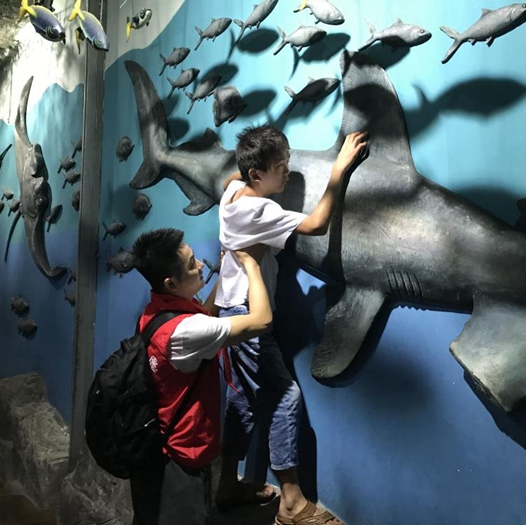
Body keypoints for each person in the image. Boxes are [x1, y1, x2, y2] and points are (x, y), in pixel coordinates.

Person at [215, 125, 368, 525]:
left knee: (241, 401)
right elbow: (316, 224)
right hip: (248, 314)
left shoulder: (234, 194)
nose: (287, 173)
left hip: (229, 309)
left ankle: (227, 484)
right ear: (256, 174)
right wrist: (339, 169)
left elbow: (229, 180)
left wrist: (248, 176)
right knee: (286, 398)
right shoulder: (260, 211)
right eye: (280, 167)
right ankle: (292, 502)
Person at [129, 227, 273, 525]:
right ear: (171, 282)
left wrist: (225, 272)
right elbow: (261, 321)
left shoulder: (157, 311)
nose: (199, 264)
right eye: (191, 263)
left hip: (157, 443)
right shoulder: (186, 332)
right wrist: (252, 264)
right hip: (181, 454)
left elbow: (204, 316)